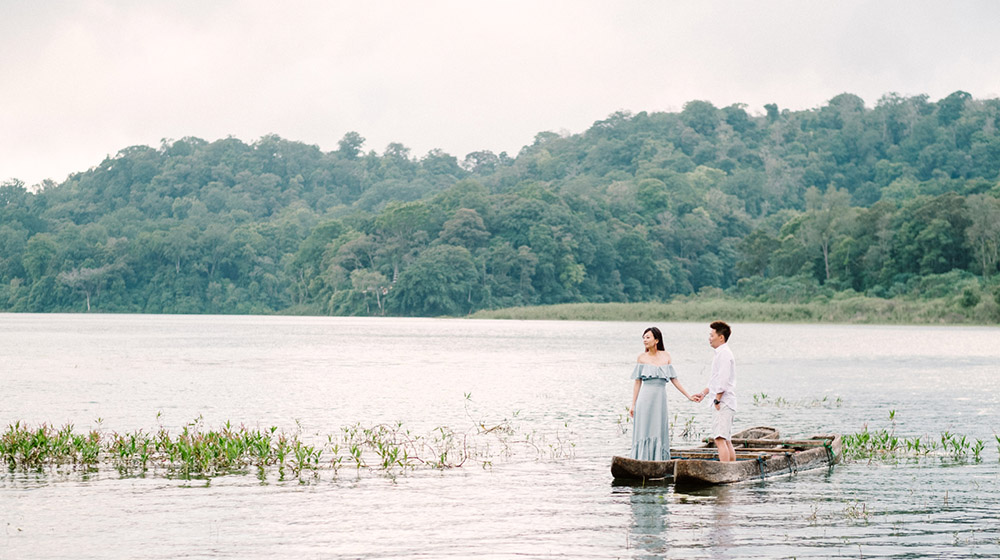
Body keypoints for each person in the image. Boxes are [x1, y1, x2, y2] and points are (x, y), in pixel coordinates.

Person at [629, 326, 701, 461]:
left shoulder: (666, 356)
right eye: (643, 338)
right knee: (643, 428)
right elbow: (637, 382)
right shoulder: (641, 358)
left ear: (656, 340)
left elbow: (674, 379)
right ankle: (641, 459)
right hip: (644, 398)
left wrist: (689, 396)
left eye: (648, 337)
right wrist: (633, 404)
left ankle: (658, 459)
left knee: (658, 427)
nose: (645, 340)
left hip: (659, 399)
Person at [696, 321, 737, 462]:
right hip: (725, 401)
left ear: (721, 337)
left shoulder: (724, 353)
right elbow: (715, 380)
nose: (709, 338)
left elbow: (723, 381)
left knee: (720, 439)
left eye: (712, 335)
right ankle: (731, 469)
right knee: (726, 439)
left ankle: (726, 470)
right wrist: (704, 393)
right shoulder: (720, 353)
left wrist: (717, 399)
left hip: (723, 402)